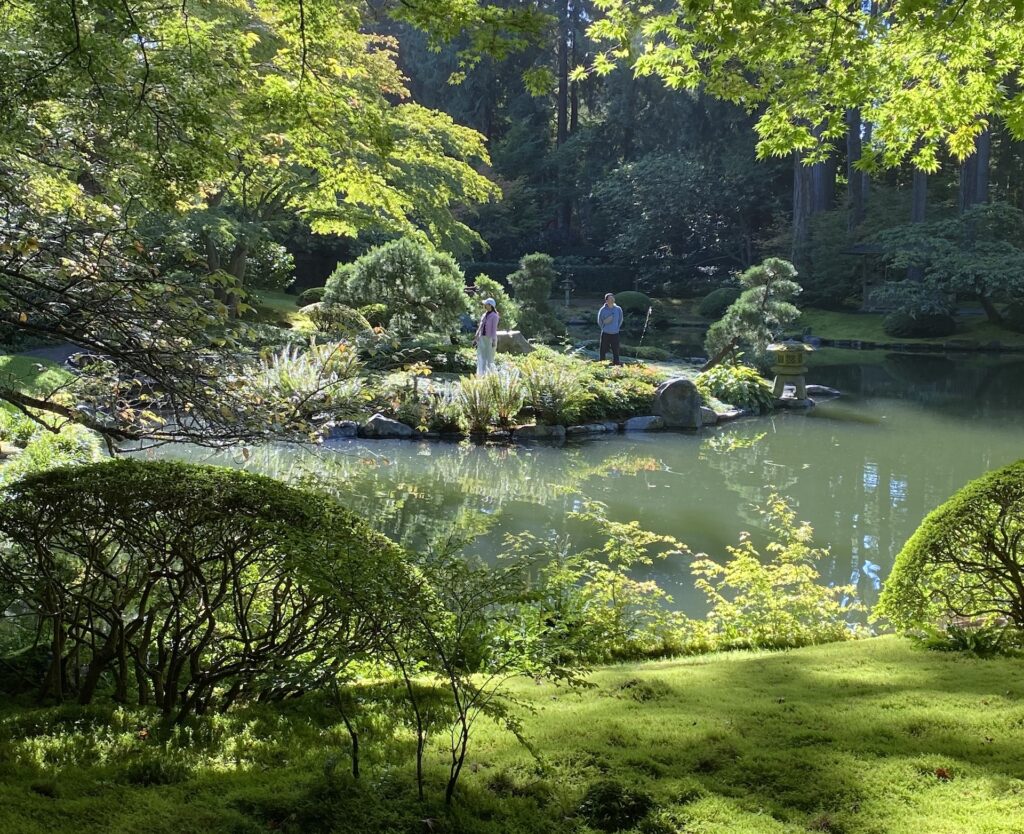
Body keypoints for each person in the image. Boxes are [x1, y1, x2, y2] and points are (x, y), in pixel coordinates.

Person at [474, 297, 500, 376]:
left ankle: (490, 375)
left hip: (490, 339)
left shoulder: (495, 316)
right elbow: (480, 326)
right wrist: (477, 335)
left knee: (489, 357)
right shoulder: (484, 315)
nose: (485, 305)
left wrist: (493, 340)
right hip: (482, 338)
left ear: (490, 305)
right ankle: (480, 374)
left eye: (486, 304)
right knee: (481, 356)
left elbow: (494, 329)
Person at [597, 292, 623, 365]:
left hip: (615, 333)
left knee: (616, 350)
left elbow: (620, 319)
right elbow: (600, 321)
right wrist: (604, 328)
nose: (612, 300)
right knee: (603, 349)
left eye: (613, 298)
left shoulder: (618, 309)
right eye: (610, 299)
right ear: (606, 301)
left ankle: (616, 364)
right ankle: (602, 364)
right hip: (605, 333)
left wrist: (617, 328)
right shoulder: (603, 310)